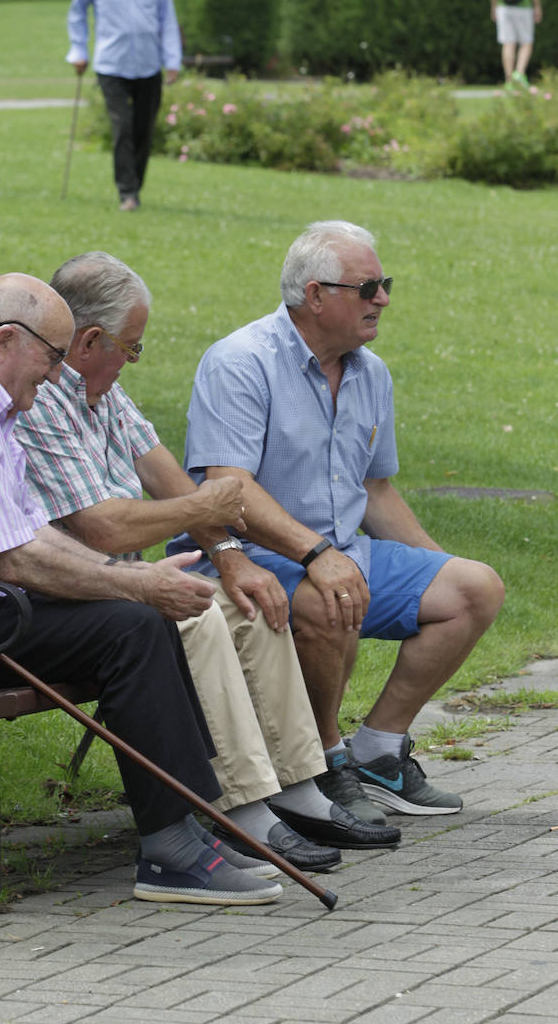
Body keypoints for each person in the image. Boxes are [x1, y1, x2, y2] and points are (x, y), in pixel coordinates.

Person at [0, 272, 284, 907]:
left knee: (136, 617)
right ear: (6, 340)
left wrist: (129, 579)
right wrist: (135, 587)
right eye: (50, 356)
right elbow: (16, 559)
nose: (56, 374)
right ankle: (173, 849)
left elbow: (28, 533)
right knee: (132, 627)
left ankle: (187, 828)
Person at [15, 252, 401, 870]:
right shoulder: (40, 401)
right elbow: (103, 527)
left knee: (252, 602)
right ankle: (241, 807)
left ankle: (299, 788)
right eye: (131, 347)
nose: (132, 360)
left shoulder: (104, 392)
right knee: (199, 617)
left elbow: (167, 479)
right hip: (77, 585)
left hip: (125, 580)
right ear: (90, 341)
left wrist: (229, 554)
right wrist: (208, 506)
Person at [170, 221, 504, 822]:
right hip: (244, 554)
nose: (383, 299)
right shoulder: (240, 361)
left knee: (474, 587)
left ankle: (378, 751)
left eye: (384, 284)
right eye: (367, 287)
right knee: (330, 597)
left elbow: (374, 488)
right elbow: (228, 485)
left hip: (339, 551)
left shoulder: (371, 373)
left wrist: (438, 567)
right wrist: (315, 554)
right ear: (315, 295)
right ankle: (323, 761)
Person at [66, 0, 181, 212]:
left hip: (148, 62)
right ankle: (127, 193)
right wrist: (78, 51)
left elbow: (166, 16)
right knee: (122, 128)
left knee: (144, 129)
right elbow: (77, 12)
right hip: (111, 64)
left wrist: (172, 59)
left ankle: (135, 186)